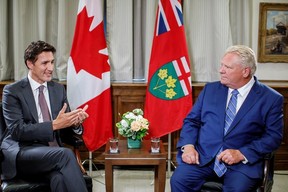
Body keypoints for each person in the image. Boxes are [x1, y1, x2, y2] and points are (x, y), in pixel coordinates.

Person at [170, 45, 283, 192]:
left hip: (242, 165)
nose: (221, 70)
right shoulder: (210, 90)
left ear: (245, 72)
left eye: (228, 67)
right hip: (204, 158)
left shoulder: (271, 99)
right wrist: (189, 146)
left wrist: (242, 153)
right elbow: (192, 121)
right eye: (222, 65)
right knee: (179, 180)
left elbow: (273, 137)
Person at [0, 40, 89, 192]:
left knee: (59, 179)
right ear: (30, 64)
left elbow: (65, 128)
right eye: (45, 63)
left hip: (52, 153)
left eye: (52, 62)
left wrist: (74, 123)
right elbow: (17, 130)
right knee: (65, 155)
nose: (51, 68)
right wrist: (54, 125)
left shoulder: (58, 89)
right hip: (24, 152)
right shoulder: (13, 91)